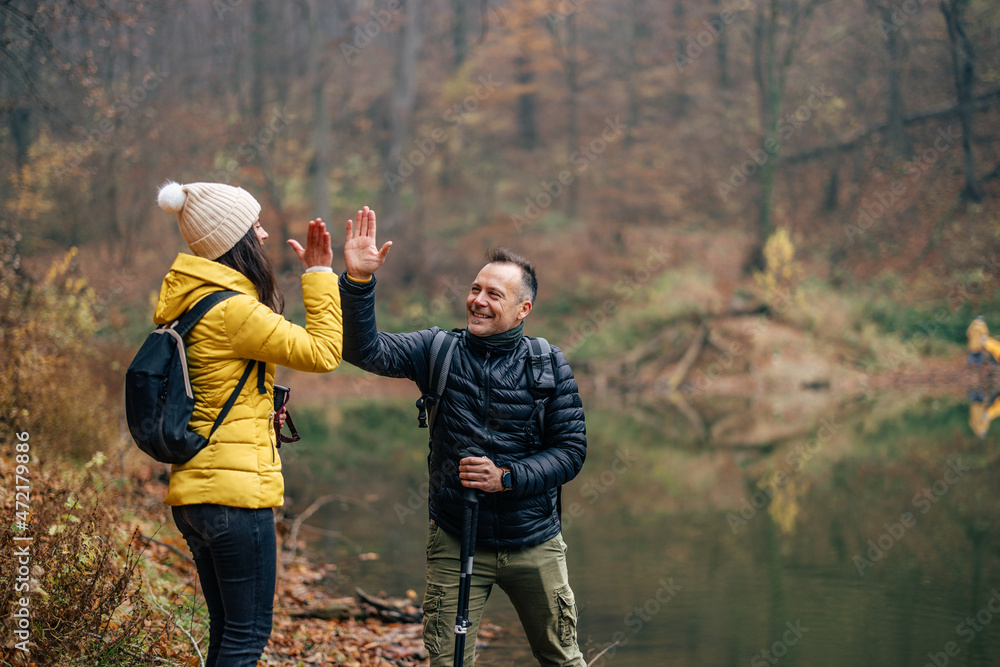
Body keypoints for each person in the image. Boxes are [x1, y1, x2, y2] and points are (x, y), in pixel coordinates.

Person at [338, 207, 587, 666]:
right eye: (475, 289)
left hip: (534, 541)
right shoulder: (438, 351)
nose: (478, 300)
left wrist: (506, 477)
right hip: (455, 538)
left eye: (495, 294)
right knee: (447, 662)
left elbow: (571, 452)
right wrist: (357, 283)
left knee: (562, 659)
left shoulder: (548, 365)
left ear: (522, 309)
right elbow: (362, 349)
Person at [153, 180, 345, 666]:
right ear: (233, 240)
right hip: (234, 498)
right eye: (254, 227)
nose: (263, 236)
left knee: (228, 635)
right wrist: (321, 273)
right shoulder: (234, 312)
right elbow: (323, 352)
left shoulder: (191, 304)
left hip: (197, 494)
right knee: (247, 639)